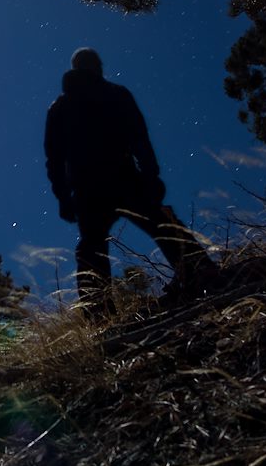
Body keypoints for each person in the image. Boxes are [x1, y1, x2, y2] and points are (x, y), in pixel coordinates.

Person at [44, 48, 214, 309]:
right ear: (97, 67)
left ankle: (98, 312)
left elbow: (54, 160)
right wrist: (150, 176)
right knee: (161, 224)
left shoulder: (60, 107)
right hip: (124, 178)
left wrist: (64, 198)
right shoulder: (115, 93)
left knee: (92, 248)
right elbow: (139, 138)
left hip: (87, 190)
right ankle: (202, 275)